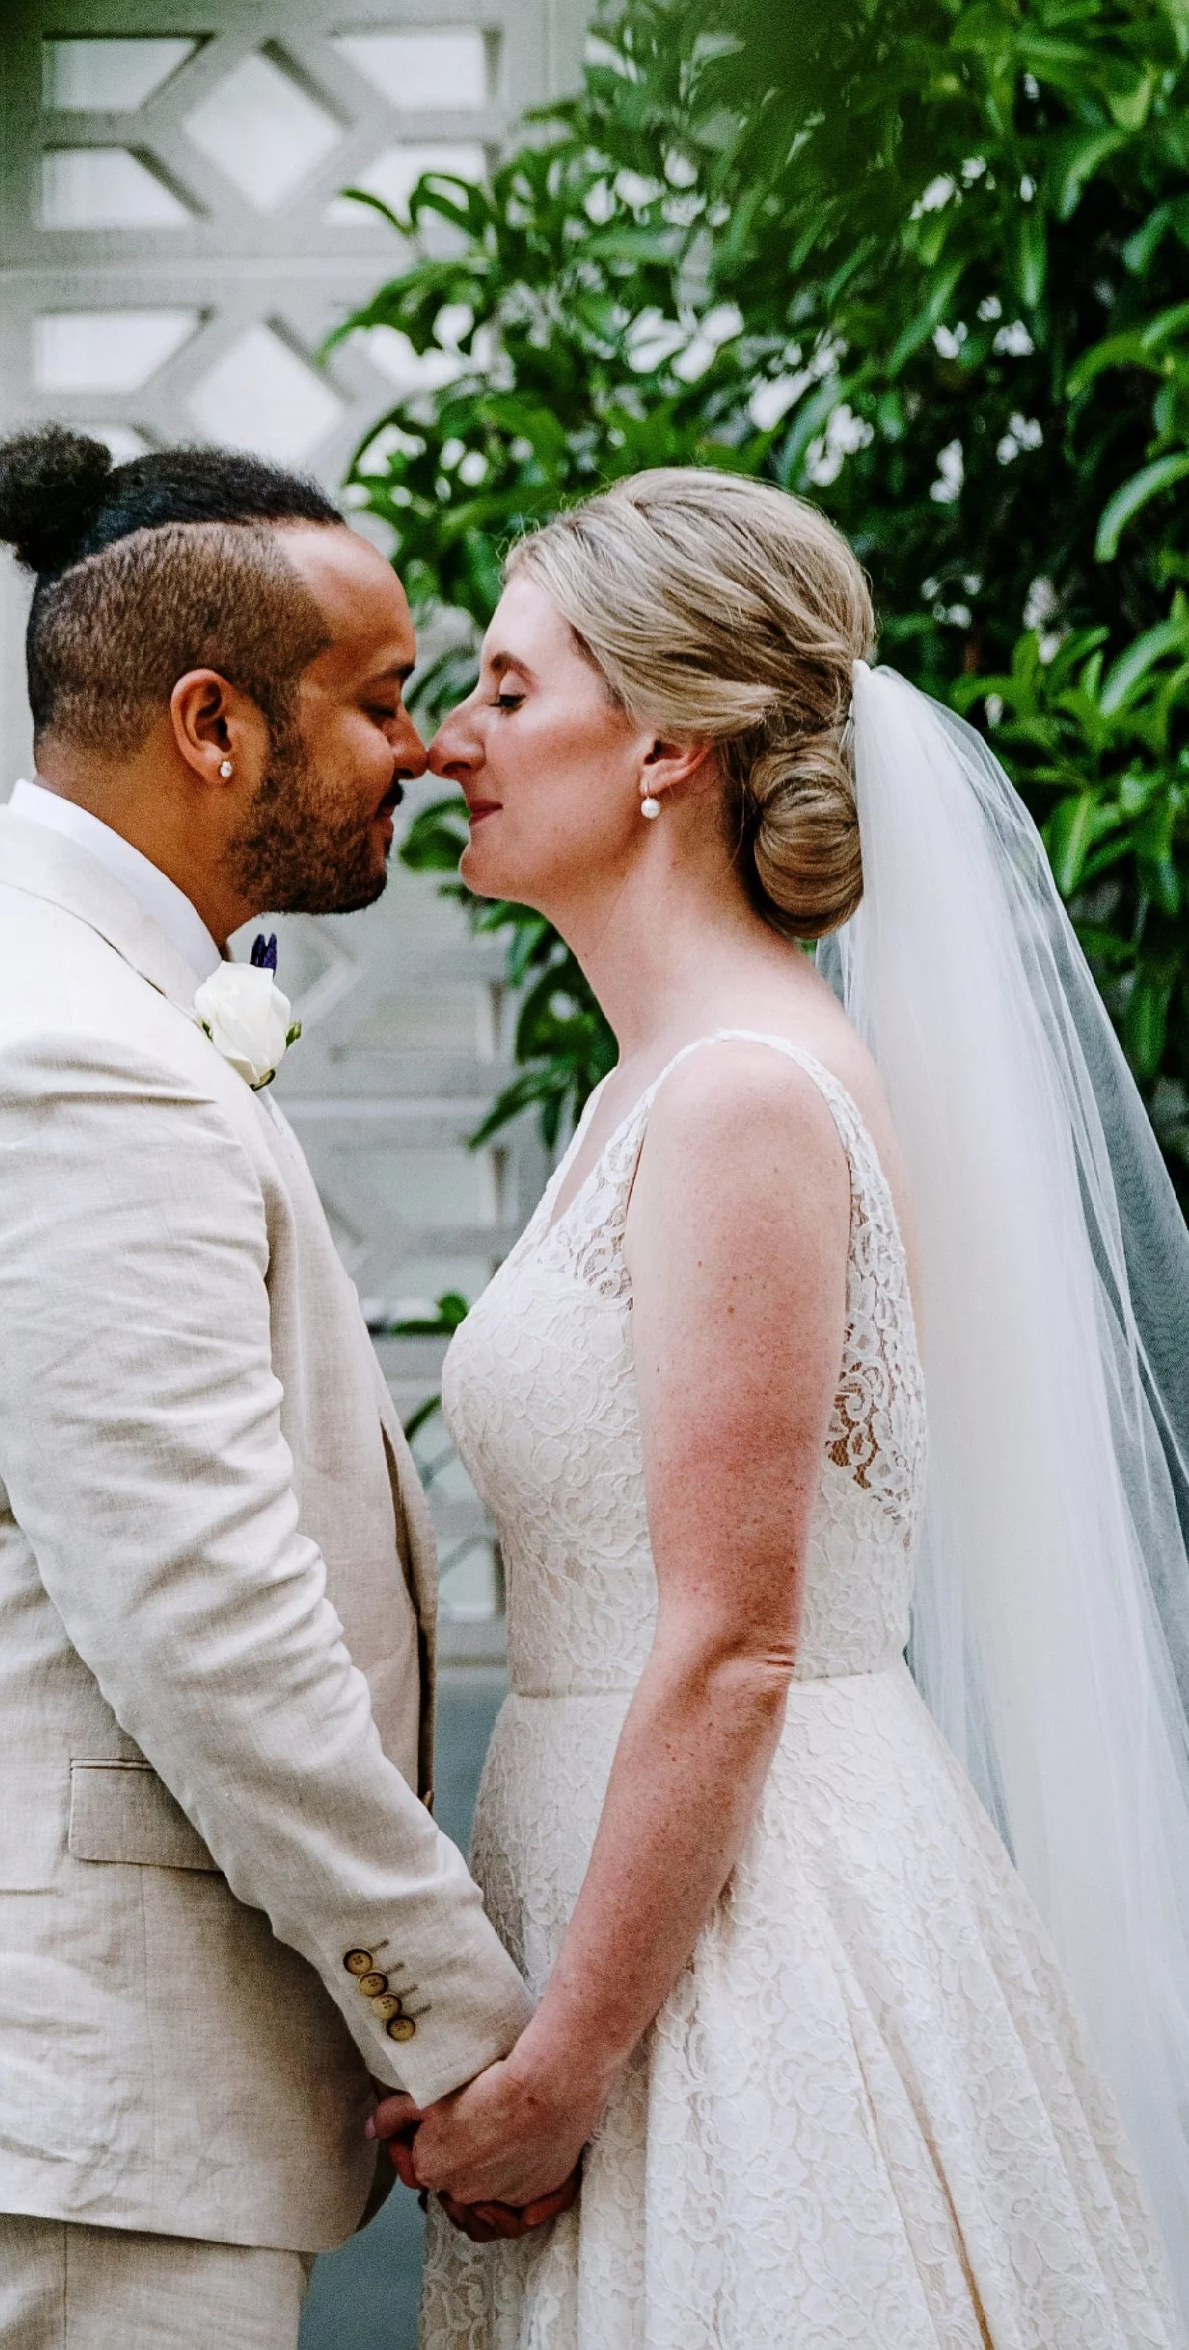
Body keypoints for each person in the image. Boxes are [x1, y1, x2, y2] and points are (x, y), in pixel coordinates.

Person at [0, 426, 548, 2349]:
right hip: (46, 2119)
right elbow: (213, 1630)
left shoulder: (48, 992)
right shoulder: (62, 1062)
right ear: (211, 727)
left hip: (45, 2120)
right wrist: (467, 2024)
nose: (415, 750)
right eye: (378, 700)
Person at [386, 465, 1189, 2347]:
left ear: (664, 745)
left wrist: (570, 2065)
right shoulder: (651, 1087)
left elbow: (739, 1638)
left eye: (509, 691)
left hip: (754, 1939)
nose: (452, 742)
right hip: (632, 1880)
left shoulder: (743, 1098)